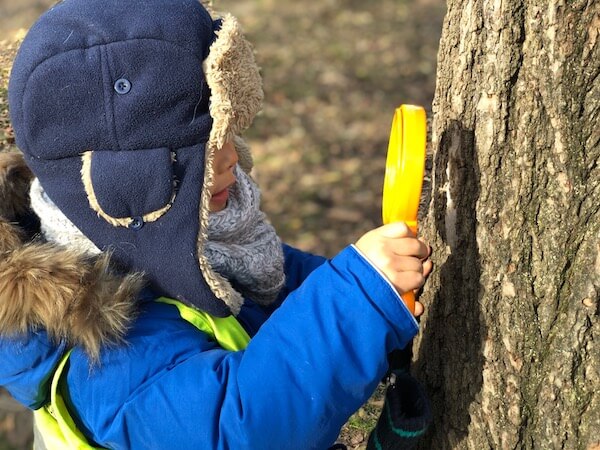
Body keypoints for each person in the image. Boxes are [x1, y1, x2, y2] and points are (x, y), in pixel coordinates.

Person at [0, 0, 433, 448]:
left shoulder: (192, 243)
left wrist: (372, 303)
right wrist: (357, 298)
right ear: (122, 182)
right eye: (203, 147)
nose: (230, 158)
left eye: (226, 133)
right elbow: (239, 426)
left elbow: (278, 288)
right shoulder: (100, 349)